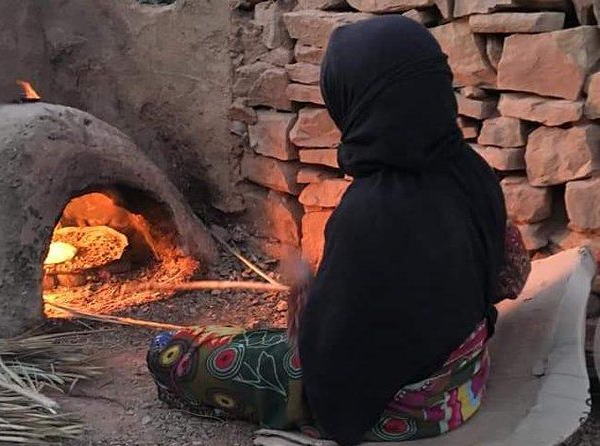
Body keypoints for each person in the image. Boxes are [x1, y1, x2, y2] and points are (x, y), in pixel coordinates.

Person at [147, 16, 530, 446]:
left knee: (173, 351)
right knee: (248, 340)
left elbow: (335, 374)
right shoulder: (471, 170)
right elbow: (501, 278)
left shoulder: (369, 212)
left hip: (406, 408)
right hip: (463, 378)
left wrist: (309, 308)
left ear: (360, 101)